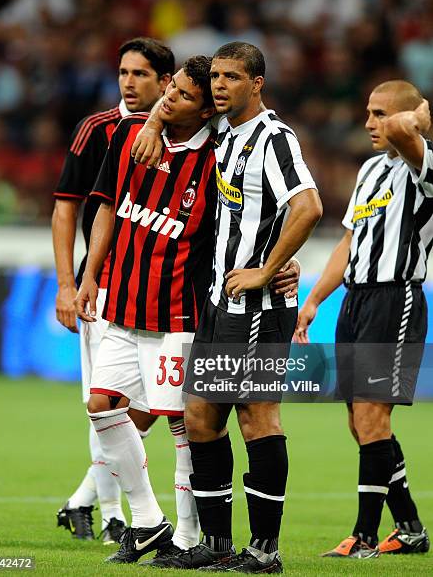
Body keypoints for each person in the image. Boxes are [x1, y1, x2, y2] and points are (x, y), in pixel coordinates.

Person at [147, 42, 322, 573]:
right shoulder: (225, 134)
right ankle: (217, 546)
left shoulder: (274, 138)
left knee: (257, 418)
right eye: (216, 77)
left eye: (231, 77)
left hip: (260, 307)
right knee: (200, 416)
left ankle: (265, 551)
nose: (220, 85)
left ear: (257, 83)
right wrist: (154, 123)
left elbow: (308, 206)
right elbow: (170, 103)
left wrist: (268, 270)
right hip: (221, 305)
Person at [295, 80, 431, 558]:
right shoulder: (371, 170)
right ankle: (411, 526)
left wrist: (417, 115)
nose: (370, 123)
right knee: (359, 422)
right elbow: (348, 242)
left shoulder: (423, 166)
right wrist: (314, 301)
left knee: (373, 417)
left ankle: (365, 536)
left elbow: (406, 128)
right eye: (368, 113)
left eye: (379, 114)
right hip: (355, 301)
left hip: (397, 300)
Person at [52, 37, 174, 542]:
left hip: (167, 290)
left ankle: (82, 500)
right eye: (123, 71)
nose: (128, 81)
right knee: (105, 400)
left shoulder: (188, 132)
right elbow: (66, 206)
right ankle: (111, 516)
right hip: (104, 285)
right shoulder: (97, 129)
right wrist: (68, 282)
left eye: (140, 73)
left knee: (151, 407)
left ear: (165, 82)